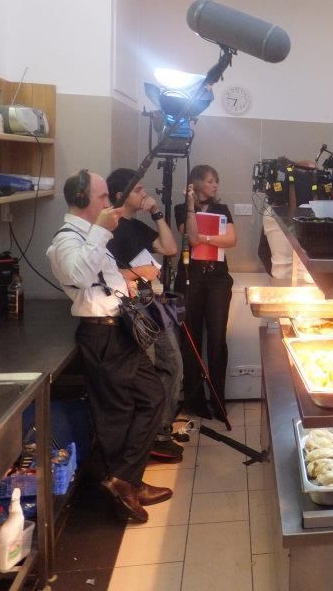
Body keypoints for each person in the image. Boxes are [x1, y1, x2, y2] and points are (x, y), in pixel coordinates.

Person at [46, 169, 171, 524]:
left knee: (153, 396)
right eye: (102, 197)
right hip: (102, 335)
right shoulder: (66, 240)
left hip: (121, 330)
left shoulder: (91, 236)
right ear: (82, 200)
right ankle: (124, 487)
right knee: (118, 414)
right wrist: (102, 230)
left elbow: (103, 276)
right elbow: (78, 275)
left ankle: (127, 479)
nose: (108, 203)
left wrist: (123, 287)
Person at [105, 168, 183, 463]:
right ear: (120, 195)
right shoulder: (107, 229)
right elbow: (100, 273)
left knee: (173, 363)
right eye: (138, 190)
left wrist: (156, 213)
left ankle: (160, 431)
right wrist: (138, 272)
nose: (144, 194)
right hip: (130, 309)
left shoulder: (137, 227)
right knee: (146, 372)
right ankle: (143, 439)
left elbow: (170, 248)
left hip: (152, 303)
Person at [174, 164, 237, 417]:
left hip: (218, 278)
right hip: (191, 277)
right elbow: (190, 236)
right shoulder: (181, 209)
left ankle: (218, 399)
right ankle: (195, 400)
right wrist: (190, 205)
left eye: (216, 181)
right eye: (210, 181)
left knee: (217, 339)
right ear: (196, 183)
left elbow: (231, 239)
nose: (215, 185)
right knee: (191, 339)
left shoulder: (222, 209)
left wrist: (206, 238)